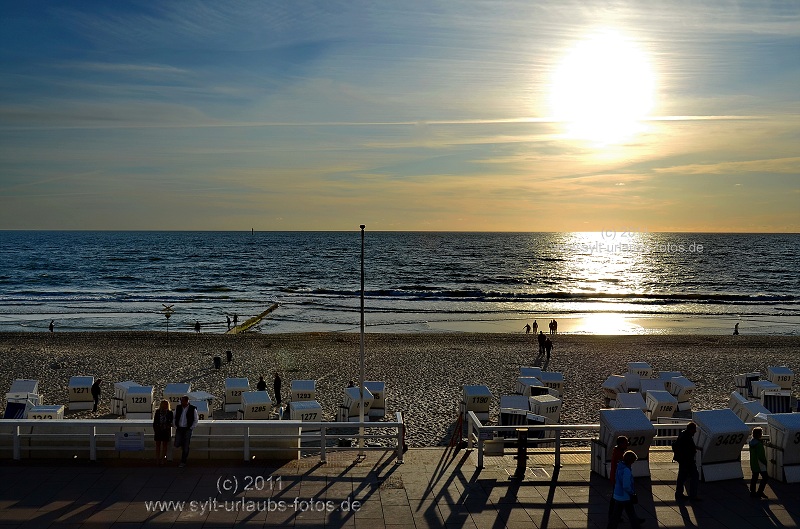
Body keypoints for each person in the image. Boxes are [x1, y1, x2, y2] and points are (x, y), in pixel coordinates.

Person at [608, 451, 643, 529]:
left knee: (615, 516)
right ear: (631, 461)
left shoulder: (619, 466)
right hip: (625, 496)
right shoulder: (626, 470)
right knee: (631, 514)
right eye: (633, 461)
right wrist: (632, 492)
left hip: (617, 495)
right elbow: (626, 485)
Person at [673, 421, 701, 501]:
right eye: (694, 430)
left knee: (681, 477)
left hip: (683, 460)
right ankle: (693, 495)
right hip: (688, 461)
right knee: (695, 476)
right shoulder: (687, 438)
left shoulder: (683, 435)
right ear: (691, 430)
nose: (695, 432)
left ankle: (679, 493)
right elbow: (688, 449)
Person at [173, 395, 199, 468]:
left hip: (187, 429)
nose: (181, 402)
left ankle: (183, 461)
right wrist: (175, 425)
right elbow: (174, 417)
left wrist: (191, 427)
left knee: (186, 446)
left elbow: (196, 419)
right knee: (177, 443)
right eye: (181, 401)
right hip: (179, 428)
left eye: (182, 401)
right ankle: (183, 445)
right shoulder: (178, 408)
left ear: (187, 401)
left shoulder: (192, 409)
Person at [748, 427, 768, 498]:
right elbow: (761, 456)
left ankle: (752, 492)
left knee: (754, 478)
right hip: (760, 464)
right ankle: (760, 492)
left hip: (753, 463)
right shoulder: (759, 444)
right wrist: (765, 462)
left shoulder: (751, 442)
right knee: (765, 478)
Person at [152, 400, 174, 465]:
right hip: (158, 430)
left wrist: (167, 426)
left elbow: (171, 421)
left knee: (165, 446)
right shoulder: (158, 412)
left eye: (166, 404)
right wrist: (156, 429)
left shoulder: (170, 412)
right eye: (164, 404)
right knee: (158, 445)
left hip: (165, 431)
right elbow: (155, 421)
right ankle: (157, 459)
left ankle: (163, 459)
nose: (165, 406)